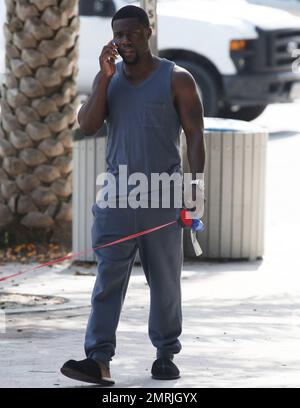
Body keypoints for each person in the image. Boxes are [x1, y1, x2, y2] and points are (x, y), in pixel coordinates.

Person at [61, 5, 205, 386]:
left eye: (132, 34)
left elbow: (194, 136)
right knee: (108, 278)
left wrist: (196, 187)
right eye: (118, 35)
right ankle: (98, 359)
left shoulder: (178, 79)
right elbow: (88, 125)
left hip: (161, 198)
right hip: (116, 198)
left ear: (148, 32)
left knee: (165, 281)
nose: (125, 42)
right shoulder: (108, 79)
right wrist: (106, 79)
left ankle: (165, 354)